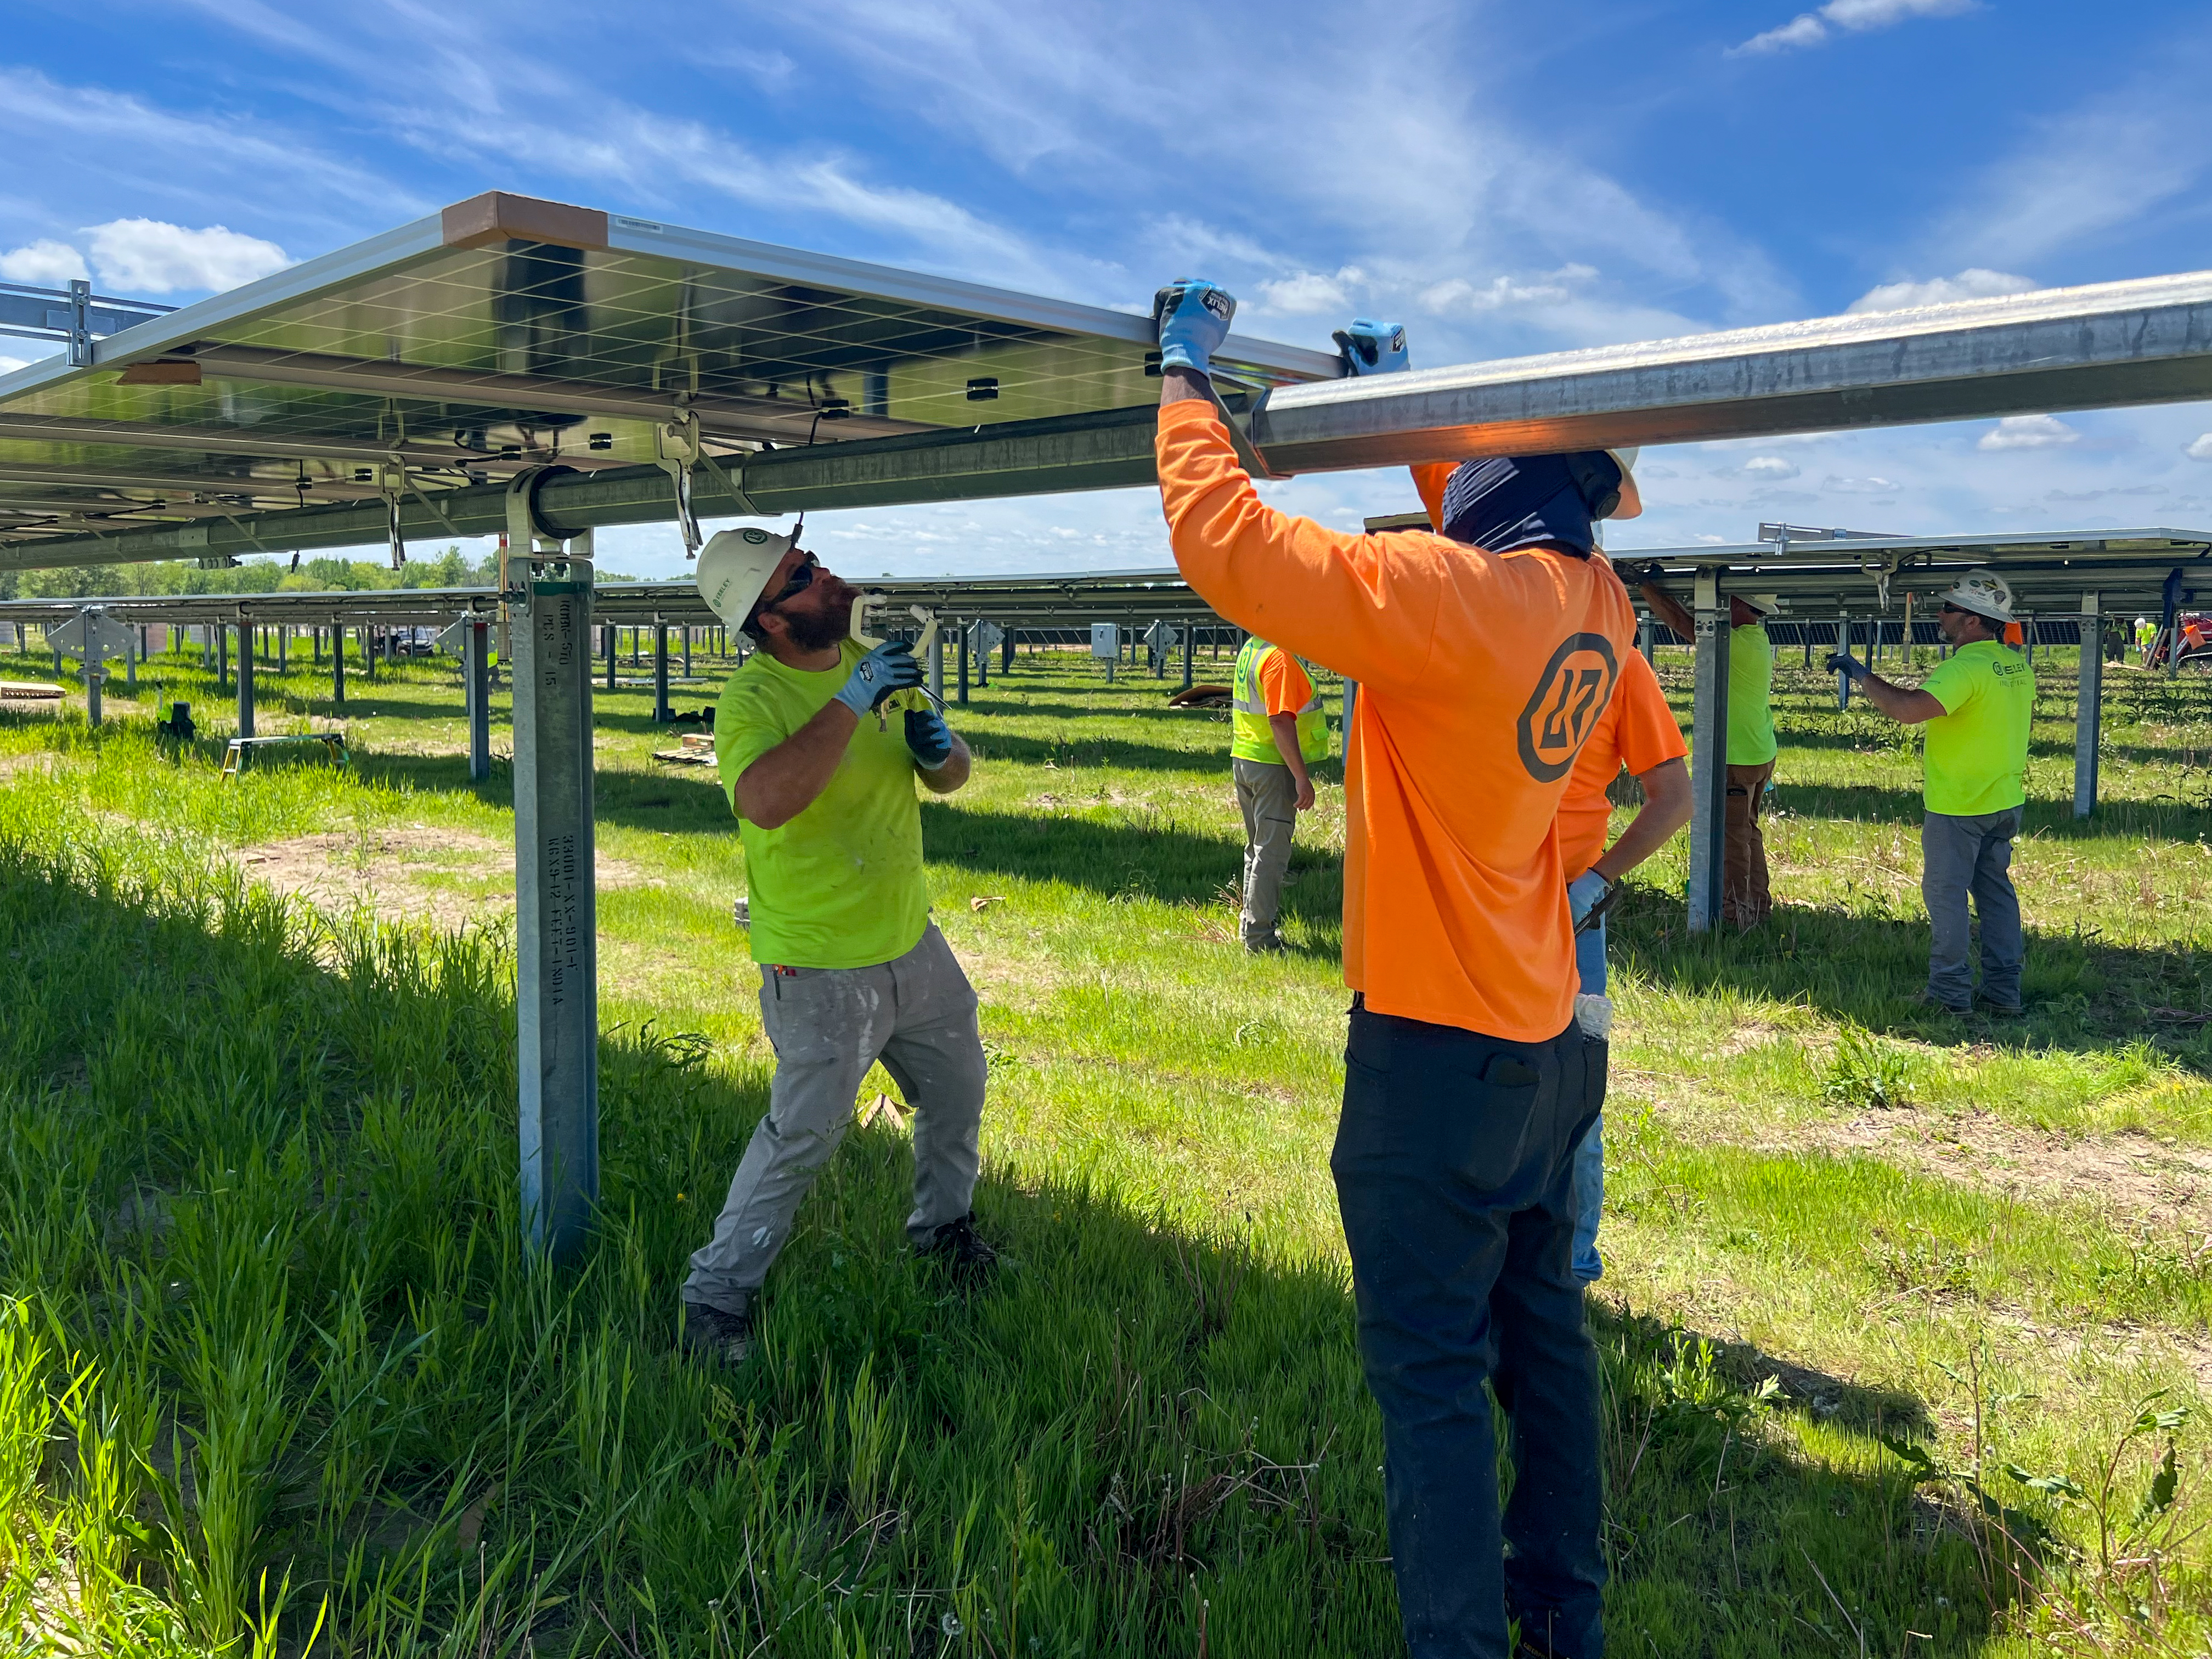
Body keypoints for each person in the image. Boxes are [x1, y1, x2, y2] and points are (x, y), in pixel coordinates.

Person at [1153, 285, 1637, 1659]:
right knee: (1545, 1344)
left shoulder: (1450, 603)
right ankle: (1565, 1621)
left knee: (1430, 1386)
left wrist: (1183, 380)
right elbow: (1501, 519)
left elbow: (1228, 541)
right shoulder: (1594, 602)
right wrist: (1418, 418)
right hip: (1548, 1044)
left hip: (1435, 1058)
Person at [678, 526, 997, 1368]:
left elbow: (951, 772)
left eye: (813, 561)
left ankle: (944, 1234)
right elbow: (764, 800)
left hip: (910, 940)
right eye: (800, 576)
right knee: (803, 1136)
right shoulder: (753, 700)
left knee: (959, 1089)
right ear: (771, 620)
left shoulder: (869, 658)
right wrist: (852, 701)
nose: (826, 575)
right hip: (819, 962)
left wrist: (941, 751)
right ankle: (714, 1297)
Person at [1828, 568, 2033, 1015]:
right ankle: (2004, 993)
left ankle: (1949, 996)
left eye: (1948, 608)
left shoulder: (1965, 668)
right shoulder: (2016, 665)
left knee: (1946, 896)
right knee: (1996, 895)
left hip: (1960, 804)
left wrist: (1861, 675)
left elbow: (1907, 710)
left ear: (1972, 620)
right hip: (2003, 801)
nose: (1940, 615)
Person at [1554, 650, 1692, 1283]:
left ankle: (1572, 1266)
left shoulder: (1617, 664)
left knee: (1577, 1090)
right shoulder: (1488, 636)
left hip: (1571, 913)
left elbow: (1675, 798)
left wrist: (1593, 883)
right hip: (1486, 905)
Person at [1635, 575, 1782, 927]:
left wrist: (1646, 586)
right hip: (1758, 752)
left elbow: (1681, 622)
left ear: (1742, 605)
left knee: (1732, 840)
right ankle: (1758, 908)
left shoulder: (1735, 644)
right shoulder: (1756, 639)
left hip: (1736, 758)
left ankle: (1734, 916)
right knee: (1747, 831)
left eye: (1730, 598)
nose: (1724, 602)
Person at [1228, 631, 1329, 951]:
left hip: (1246, 759)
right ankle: (1260, 939)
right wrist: (1301, 777)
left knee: (1257, 850)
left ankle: (1250, 929)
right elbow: (1280, 721)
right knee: (1271, 854)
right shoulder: (1278, 657)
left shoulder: (1252, 647)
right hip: (1272, 765)